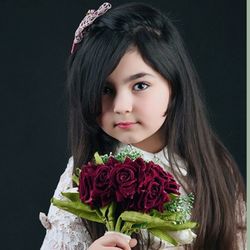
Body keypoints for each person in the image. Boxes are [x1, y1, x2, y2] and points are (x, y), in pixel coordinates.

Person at [39, 2, 246, 250]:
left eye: (140, 85)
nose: (121, 106)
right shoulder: (82, 175)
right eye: (105, 90)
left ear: (174, 83)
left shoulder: (213, 168)